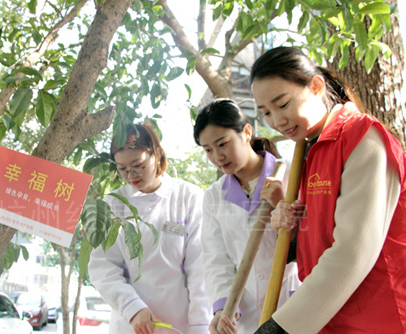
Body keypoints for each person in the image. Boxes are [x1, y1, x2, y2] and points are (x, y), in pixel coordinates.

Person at [250, 46, 406, 333]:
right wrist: (292, 233)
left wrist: (280, 328)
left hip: (379, 318)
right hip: (334, 319)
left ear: (316, 86)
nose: (276, 121)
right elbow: (322, 239)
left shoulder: (363, 137)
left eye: (282, 104)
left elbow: (353, 251)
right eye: (266, 113)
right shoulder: (311, 150)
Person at [88, 121, 212, 334]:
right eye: (123, 169)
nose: (131, 175)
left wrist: (201, 327)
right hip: (132, 324)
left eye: (138, 165)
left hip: (180, 324)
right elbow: (103, 267)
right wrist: (133, 308)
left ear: (157, 154)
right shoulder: (113, 205)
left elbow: (200, 270)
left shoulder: (188, 198)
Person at [193, 99, 301, 334]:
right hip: (247, 314)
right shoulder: (214, 196)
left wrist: (280, 204)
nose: (217, 156)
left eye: (223, 144)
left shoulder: (292, 174)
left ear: (246, 132)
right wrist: (223, 308)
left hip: (293, 302)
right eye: (208, 150)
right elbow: (216, 260)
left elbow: (310, 240)